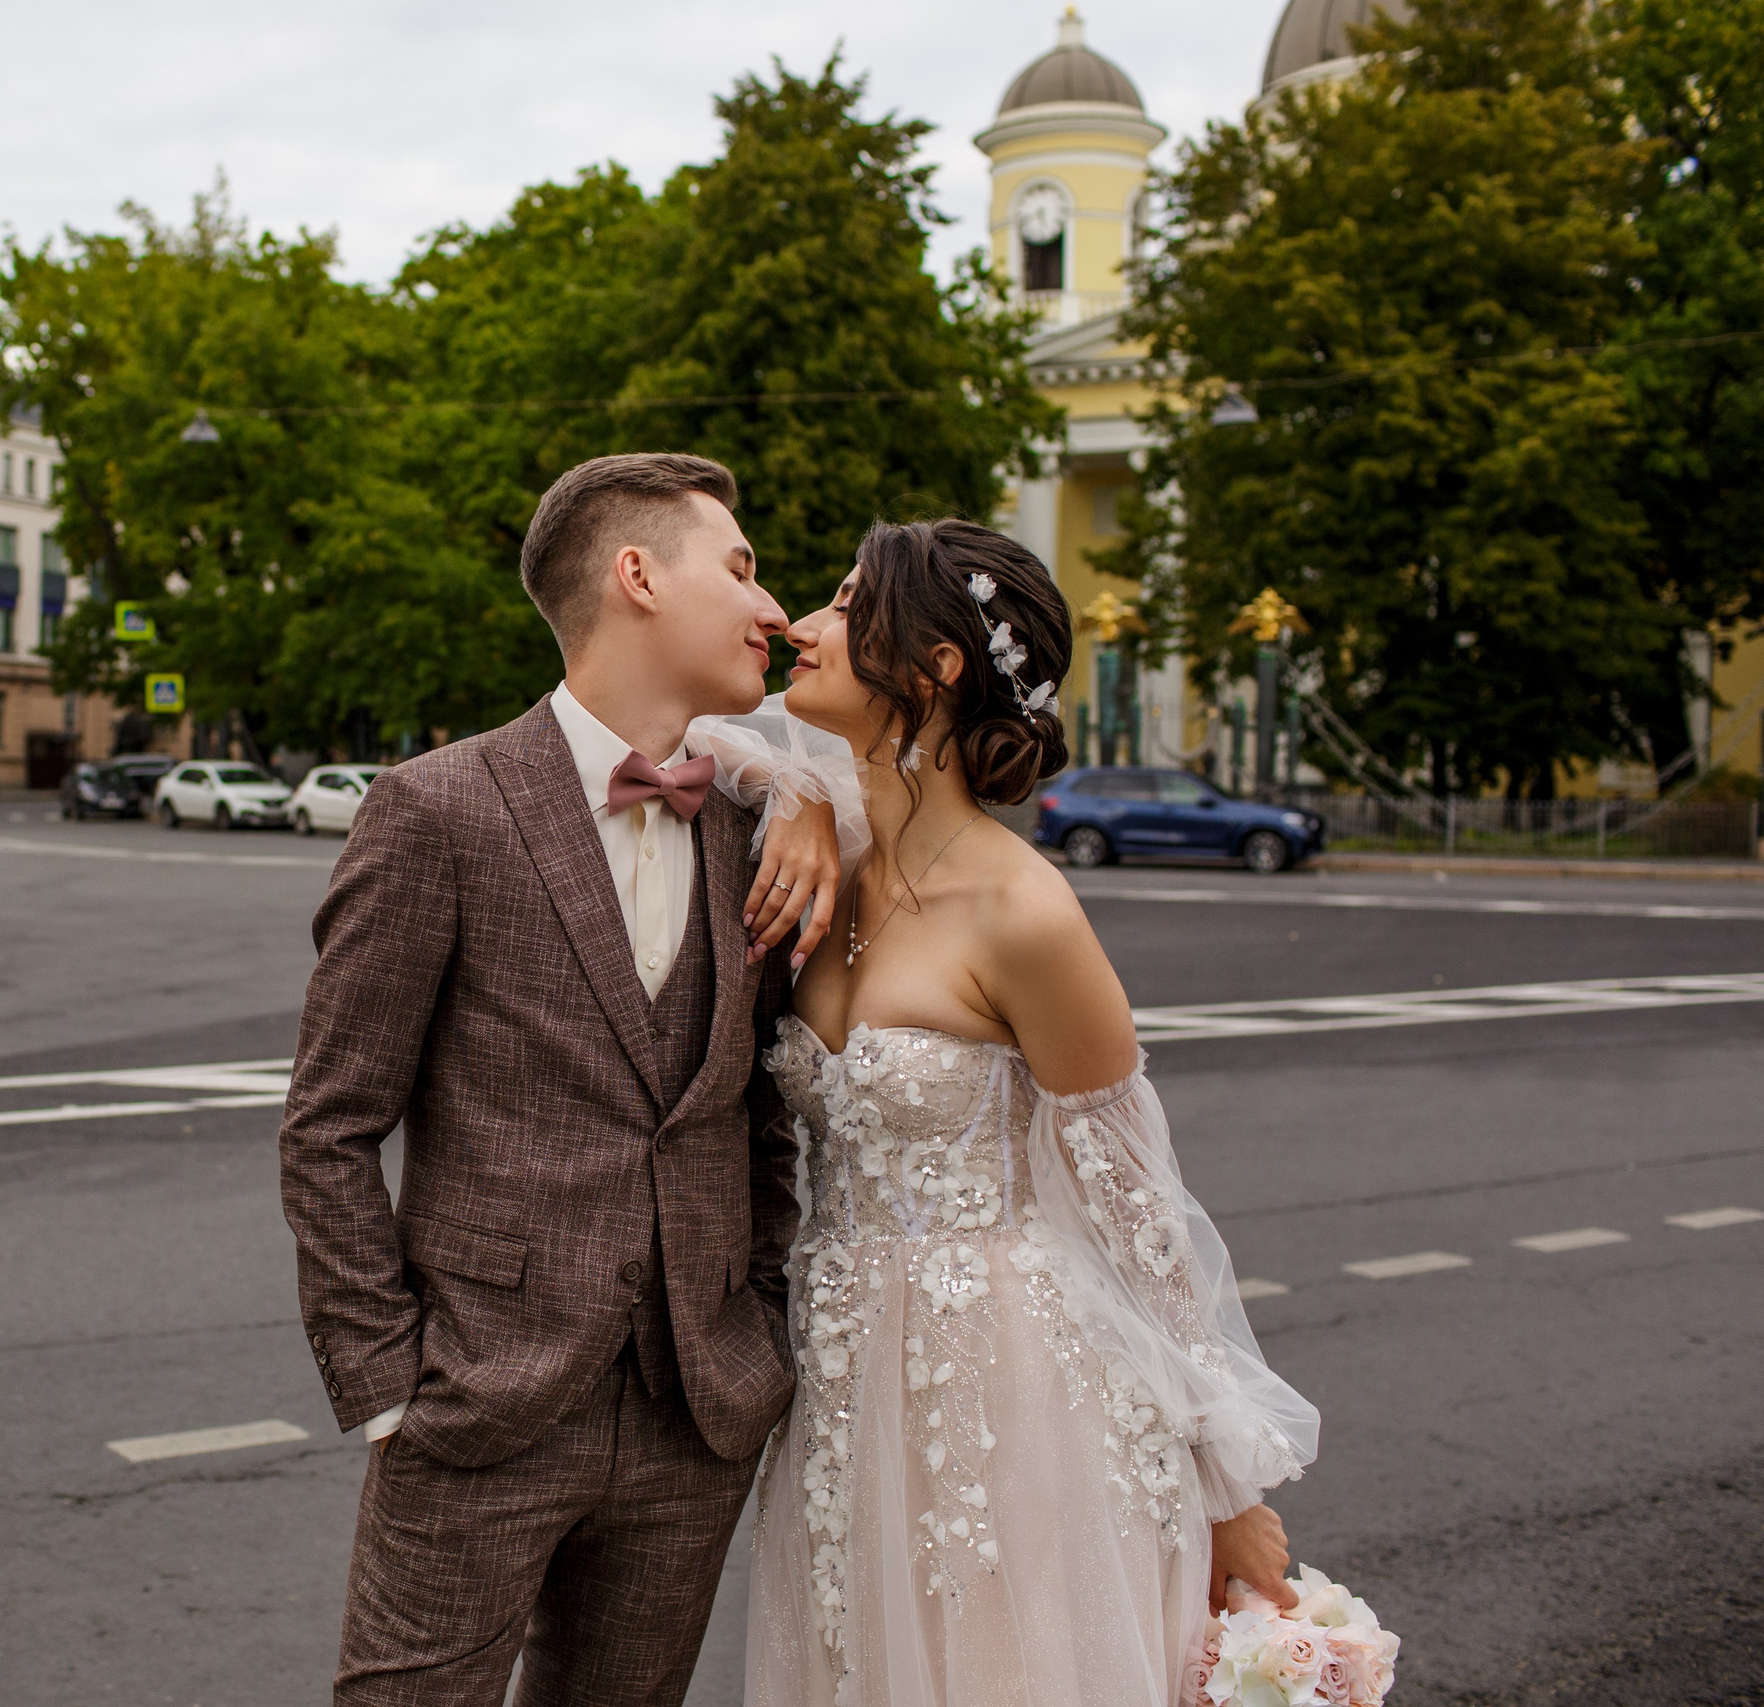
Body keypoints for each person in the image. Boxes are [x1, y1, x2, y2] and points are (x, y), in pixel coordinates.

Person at [278, 453, 843, 1705]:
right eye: (742, 568)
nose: (775, 610)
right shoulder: (437, 809)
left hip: (695, 1413)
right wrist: (389, 1385)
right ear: (636, 575)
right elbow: (329, 1125)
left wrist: (749, 1320)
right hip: (475, 1407)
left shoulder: (754, 826)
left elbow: (756, 1116)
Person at [740, 519, 1319, 1706]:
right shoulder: (826, 851)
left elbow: (1136, 1207)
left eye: (846, 605)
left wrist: (1229, 1494)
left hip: (1012, 1385)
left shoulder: (1025, 912)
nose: (801, 624)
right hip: (845, 1386)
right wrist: (790, 781)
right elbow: (686, 735)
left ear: (937, 664)